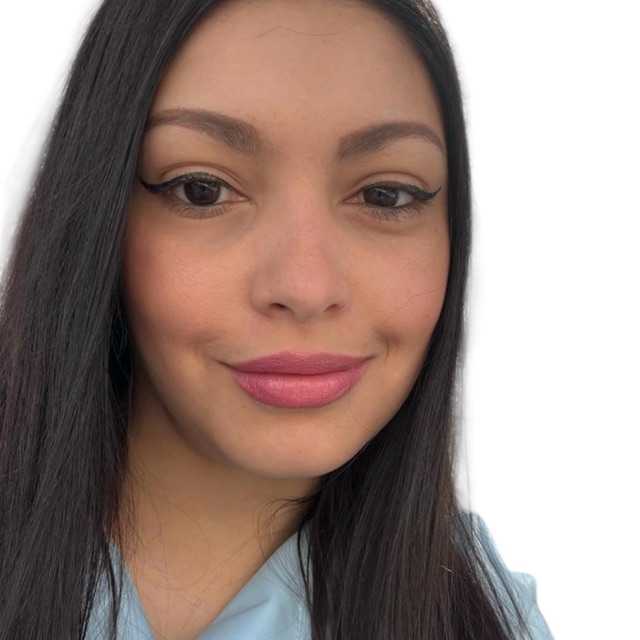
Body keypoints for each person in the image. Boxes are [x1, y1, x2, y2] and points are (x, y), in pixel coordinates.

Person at [0, 0, 554, 638]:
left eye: (386, 195)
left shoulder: (490, 617)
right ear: (98, 216)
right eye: (202, 189)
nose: (306, 288)